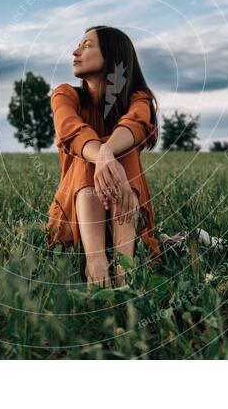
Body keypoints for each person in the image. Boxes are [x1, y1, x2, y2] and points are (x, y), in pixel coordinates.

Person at [47, 25, 161, 288]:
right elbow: (69, 130)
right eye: (79, 45)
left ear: (111, 55)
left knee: (119, 147)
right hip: (75, 218)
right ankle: (95, 262)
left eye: (87, 45)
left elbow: (137, 123)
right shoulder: (66, 94)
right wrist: (101, 156)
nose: (76, 52)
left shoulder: (138, 98)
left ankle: (124, 265)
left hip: (125, 213)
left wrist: (107, 153)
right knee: (88, 152)